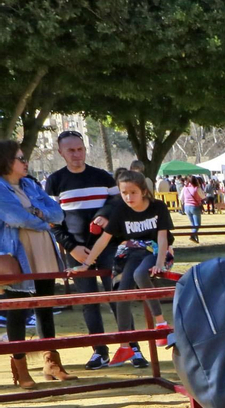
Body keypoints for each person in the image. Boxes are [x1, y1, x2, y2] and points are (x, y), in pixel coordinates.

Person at [70, 169, 171, 367]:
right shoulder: (120, 211)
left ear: (143, 191)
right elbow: (103, 239)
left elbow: (162, 236)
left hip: (157, 250)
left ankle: (161, 322)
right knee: (121, 293)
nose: (128, 197)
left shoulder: (157, 207)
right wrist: (86, 263)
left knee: (141, 274)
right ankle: (125, 344)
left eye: (133, 192)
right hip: (132, 252)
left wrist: (159, 263)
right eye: (124, 193)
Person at [44, 129, 119, 369]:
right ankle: (100, 351)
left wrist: (105, 216)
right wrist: (72, 247)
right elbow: (53, 222)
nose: (77, 154)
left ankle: (132, 346)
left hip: (107, 246)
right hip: (76, 250)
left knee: (118, 296)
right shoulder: (54, 181)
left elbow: (118, 205)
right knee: (88, 301)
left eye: (80, 149)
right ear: (61, 152)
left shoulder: (104, 177)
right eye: (71, 150)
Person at [1, 140, 70, 388]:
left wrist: (37, 214)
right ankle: (20, 366)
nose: (25, 162)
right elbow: (14, 217)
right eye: (20, 158)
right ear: (7, 161)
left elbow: (58, 213)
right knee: (17, 309)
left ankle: (51, 361)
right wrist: (41, 217)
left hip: (43, 249)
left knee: (46, 306)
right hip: (17, 253)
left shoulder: (30, 184)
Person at [178, 176, 202, 242]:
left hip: (186, 206)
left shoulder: (185, 188)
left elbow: (180, 198)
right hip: (194, 206)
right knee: (197, 224)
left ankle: (195, 236)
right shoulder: (197, 188)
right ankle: (193, 235)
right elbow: (203, 196)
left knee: (192, 223)